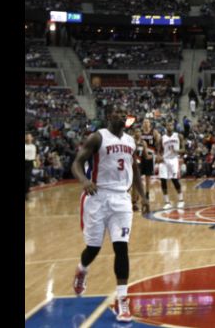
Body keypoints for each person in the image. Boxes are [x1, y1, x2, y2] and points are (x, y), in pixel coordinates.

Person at [70, 104, 149, 323]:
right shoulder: (98, 137)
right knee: (93, 249)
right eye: (118, 112)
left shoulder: (131, 141)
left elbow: (135, 169)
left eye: (126, 113)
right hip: (97, 196)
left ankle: (122, 300)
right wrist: (85, 181)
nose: (123, 115)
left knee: (121, 248)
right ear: (109, 116)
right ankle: (82, 268)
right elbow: (77, 163)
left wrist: (142, 196)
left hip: (121, 199)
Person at [157, 122, 185, 209]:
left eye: (171, 125)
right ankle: (167, 202)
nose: (169, 126)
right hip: (164, 160)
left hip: (174, 160)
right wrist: (159, 157)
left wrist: (177, 150)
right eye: (168, 125)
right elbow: (158, 151)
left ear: (173, 126)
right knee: (163, 180)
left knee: (174, 180)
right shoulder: (162, 138)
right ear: (166, 127)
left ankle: (181, 200)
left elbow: (184, 150)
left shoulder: (179, 136)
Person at [135, 119, 160, 204]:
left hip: (150, 155)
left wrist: (158, 154)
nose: (146, 123)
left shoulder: (154, 132)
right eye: (144, 122)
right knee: (138, 176)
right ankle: (138, 193)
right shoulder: (139, 132)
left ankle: (147, 193)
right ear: (142, 124)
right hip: (140, 156)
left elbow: (158, 143)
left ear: (149, 124)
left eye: (147, 122)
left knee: (148, 176)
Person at [25, 133, 38, 200]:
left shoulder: (34, 146)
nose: (27, 138)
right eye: (26, 137)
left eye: (29, 137)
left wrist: (37, 163)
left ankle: (27, 194)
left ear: (32, 138)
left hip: (30, 163)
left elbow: (35, 155)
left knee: (27, 179)